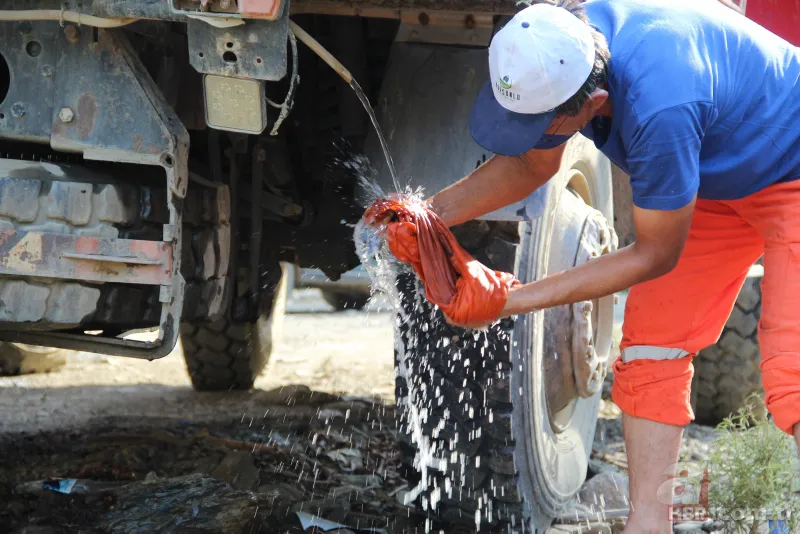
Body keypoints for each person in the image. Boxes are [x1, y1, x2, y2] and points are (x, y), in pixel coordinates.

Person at [418, 0, 800, 531]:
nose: (530, 136)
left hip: (791, 166)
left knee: (793, 368)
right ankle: (648, 525)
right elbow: (529, 166)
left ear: (594, 103)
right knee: (650, 350)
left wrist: (510, 299)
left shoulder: (660, 106)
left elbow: (655, 255)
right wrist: (423, 216)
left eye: (541, 125)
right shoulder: (558, 43)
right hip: (716, 173)